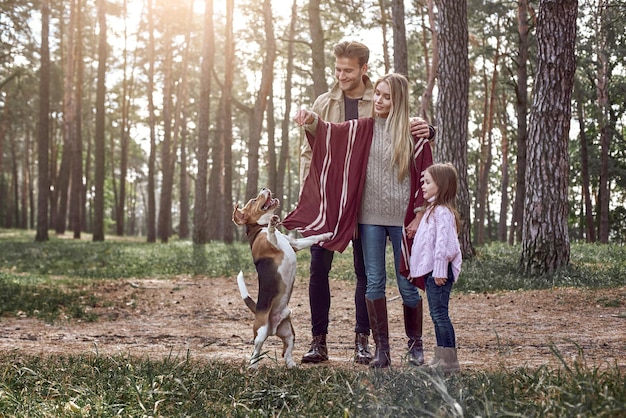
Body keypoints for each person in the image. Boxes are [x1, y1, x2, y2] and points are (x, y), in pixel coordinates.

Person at [296, 41, 434, 365]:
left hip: (367, 204)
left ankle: (364, 341)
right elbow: (318, 142)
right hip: (331, 202)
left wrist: (430, 130)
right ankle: (319, 341)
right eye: (338, 70)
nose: (341, 76)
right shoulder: (324, 102)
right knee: (319, 267)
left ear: (363, 69)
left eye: (348, 70)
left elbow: (406, 128)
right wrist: (313, 194)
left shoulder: (380, 99)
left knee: (367, 273)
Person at [409, 163, 462, 374]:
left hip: (440, 271)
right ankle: (441, 357)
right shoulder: (432, 209)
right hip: (434, 271)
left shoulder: (442, 212)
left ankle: (450, 361)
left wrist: (440, 269)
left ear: (441, 185)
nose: (423, 185)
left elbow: (445, 243)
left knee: (441, 315)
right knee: (436, 314)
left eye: (427, 182)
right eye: (423, 181)